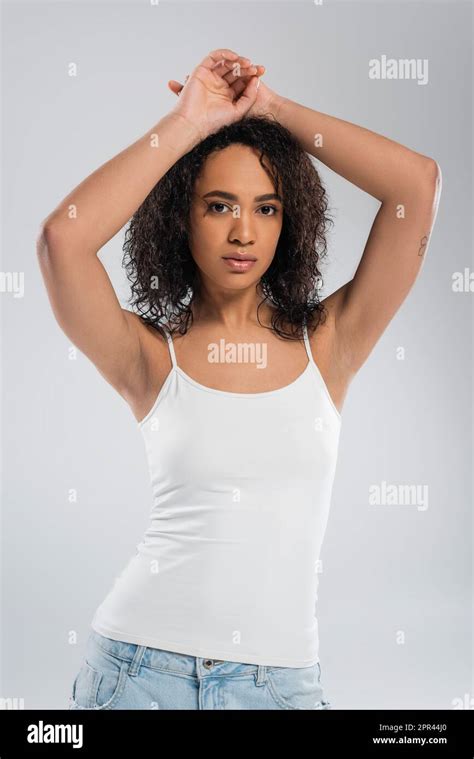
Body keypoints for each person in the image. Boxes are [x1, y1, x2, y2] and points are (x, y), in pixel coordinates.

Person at [37, 48, 441, 710]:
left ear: (291, 221)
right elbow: (62, 241)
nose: (244, 230)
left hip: (278, 685)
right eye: (219, 205)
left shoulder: (330, 344)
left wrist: (271, 110)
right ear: (181, 218)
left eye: (267, 207)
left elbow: (417, 186)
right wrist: (188, 124)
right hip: (139, 673)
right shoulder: (149, 356)